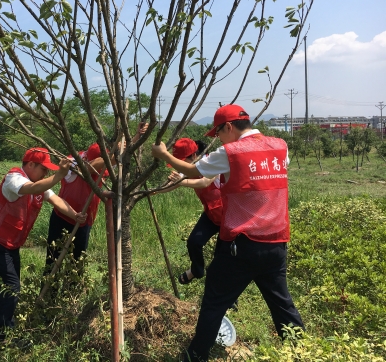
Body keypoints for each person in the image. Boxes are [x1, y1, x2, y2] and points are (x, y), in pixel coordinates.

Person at [152, 104, 304, 362]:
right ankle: (302, 351)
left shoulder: (231, 152)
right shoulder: (281, 146)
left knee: (214, 302)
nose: (219, 139)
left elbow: (194, 171)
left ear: (229, 127)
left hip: (241, 246)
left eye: (218, 133)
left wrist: (164, 154)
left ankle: (195, 356)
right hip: (277, 243)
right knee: (282, 304)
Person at [0, 147, 87, 341]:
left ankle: (5, 329)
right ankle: (3, 336)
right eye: (43, 169)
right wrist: (59, 175)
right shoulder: (14, 178)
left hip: (10, 245)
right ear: (30, 164)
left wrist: (75, 215)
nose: (45, 173)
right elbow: (32, 188)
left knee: (10, 288)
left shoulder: (38, 185)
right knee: (11, 287)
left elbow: (56, 200)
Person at [44, 122, 149, 273]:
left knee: (77, 263)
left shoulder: (103, 164)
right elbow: (91, 166)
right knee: (53, 260)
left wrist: (137, 136)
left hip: (84, 220)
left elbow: (118, 154)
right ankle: (49, 287)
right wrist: (113, 154)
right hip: (62, 217)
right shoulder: (73, 163)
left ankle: (73, 288)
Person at [156, 138, 222, 285]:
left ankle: (224, 292)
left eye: (182, 161)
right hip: (211, 214)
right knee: (194, 242)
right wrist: (154, 191)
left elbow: (204, 182)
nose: (180, 166)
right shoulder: (188, 168)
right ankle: (197, 270)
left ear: (193, 156)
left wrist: (181, 181)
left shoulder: (211, 162)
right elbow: (173, 185)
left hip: (228, 217)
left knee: (221, 258)